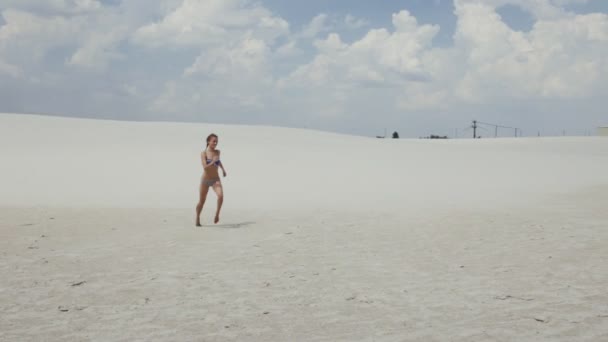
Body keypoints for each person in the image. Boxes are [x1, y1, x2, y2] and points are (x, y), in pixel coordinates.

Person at [196, 133, 227, 226]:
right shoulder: (204, 153)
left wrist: (223, 169)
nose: (215, 143)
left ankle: (217, 214)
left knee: (220, 196)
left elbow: (218, 161)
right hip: (205, 180)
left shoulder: (218, 152)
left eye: (216, 141)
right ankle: (197, 217)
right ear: (208, 142)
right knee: (202, 202)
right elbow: (205, 167)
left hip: (215, 179)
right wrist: (212, 161)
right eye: (213, 141)